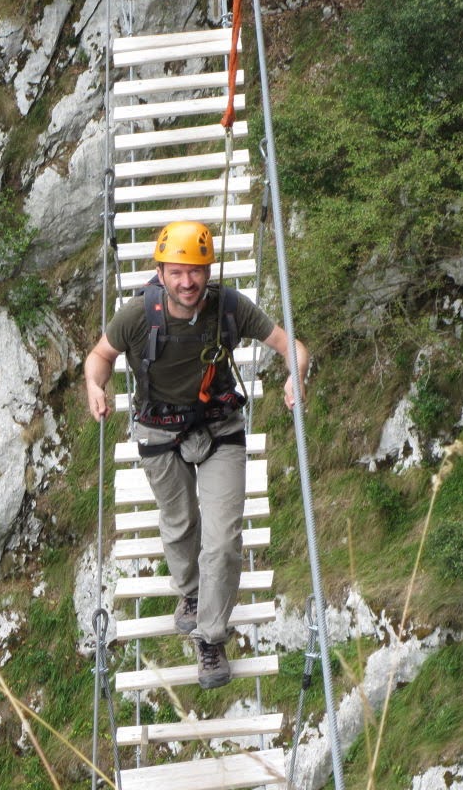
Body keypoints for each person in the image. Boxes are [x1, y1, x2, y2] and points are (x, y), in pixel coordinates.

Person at [84, 220, 309, 688]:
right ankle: (189, 594)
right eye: (177, 273)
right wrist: (94, 385)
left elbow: (293, 348)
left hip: (219, 426)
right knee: (181, 522)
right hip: (159, 430)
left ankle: (210, 638)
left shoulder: (228, 307)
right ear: (161, 272)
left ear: (208, 271)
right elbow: (100, 356)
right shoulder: (137, 315)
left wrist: (295, 374)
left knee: (223, 541)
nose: (188, 283)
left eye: (197, 272)